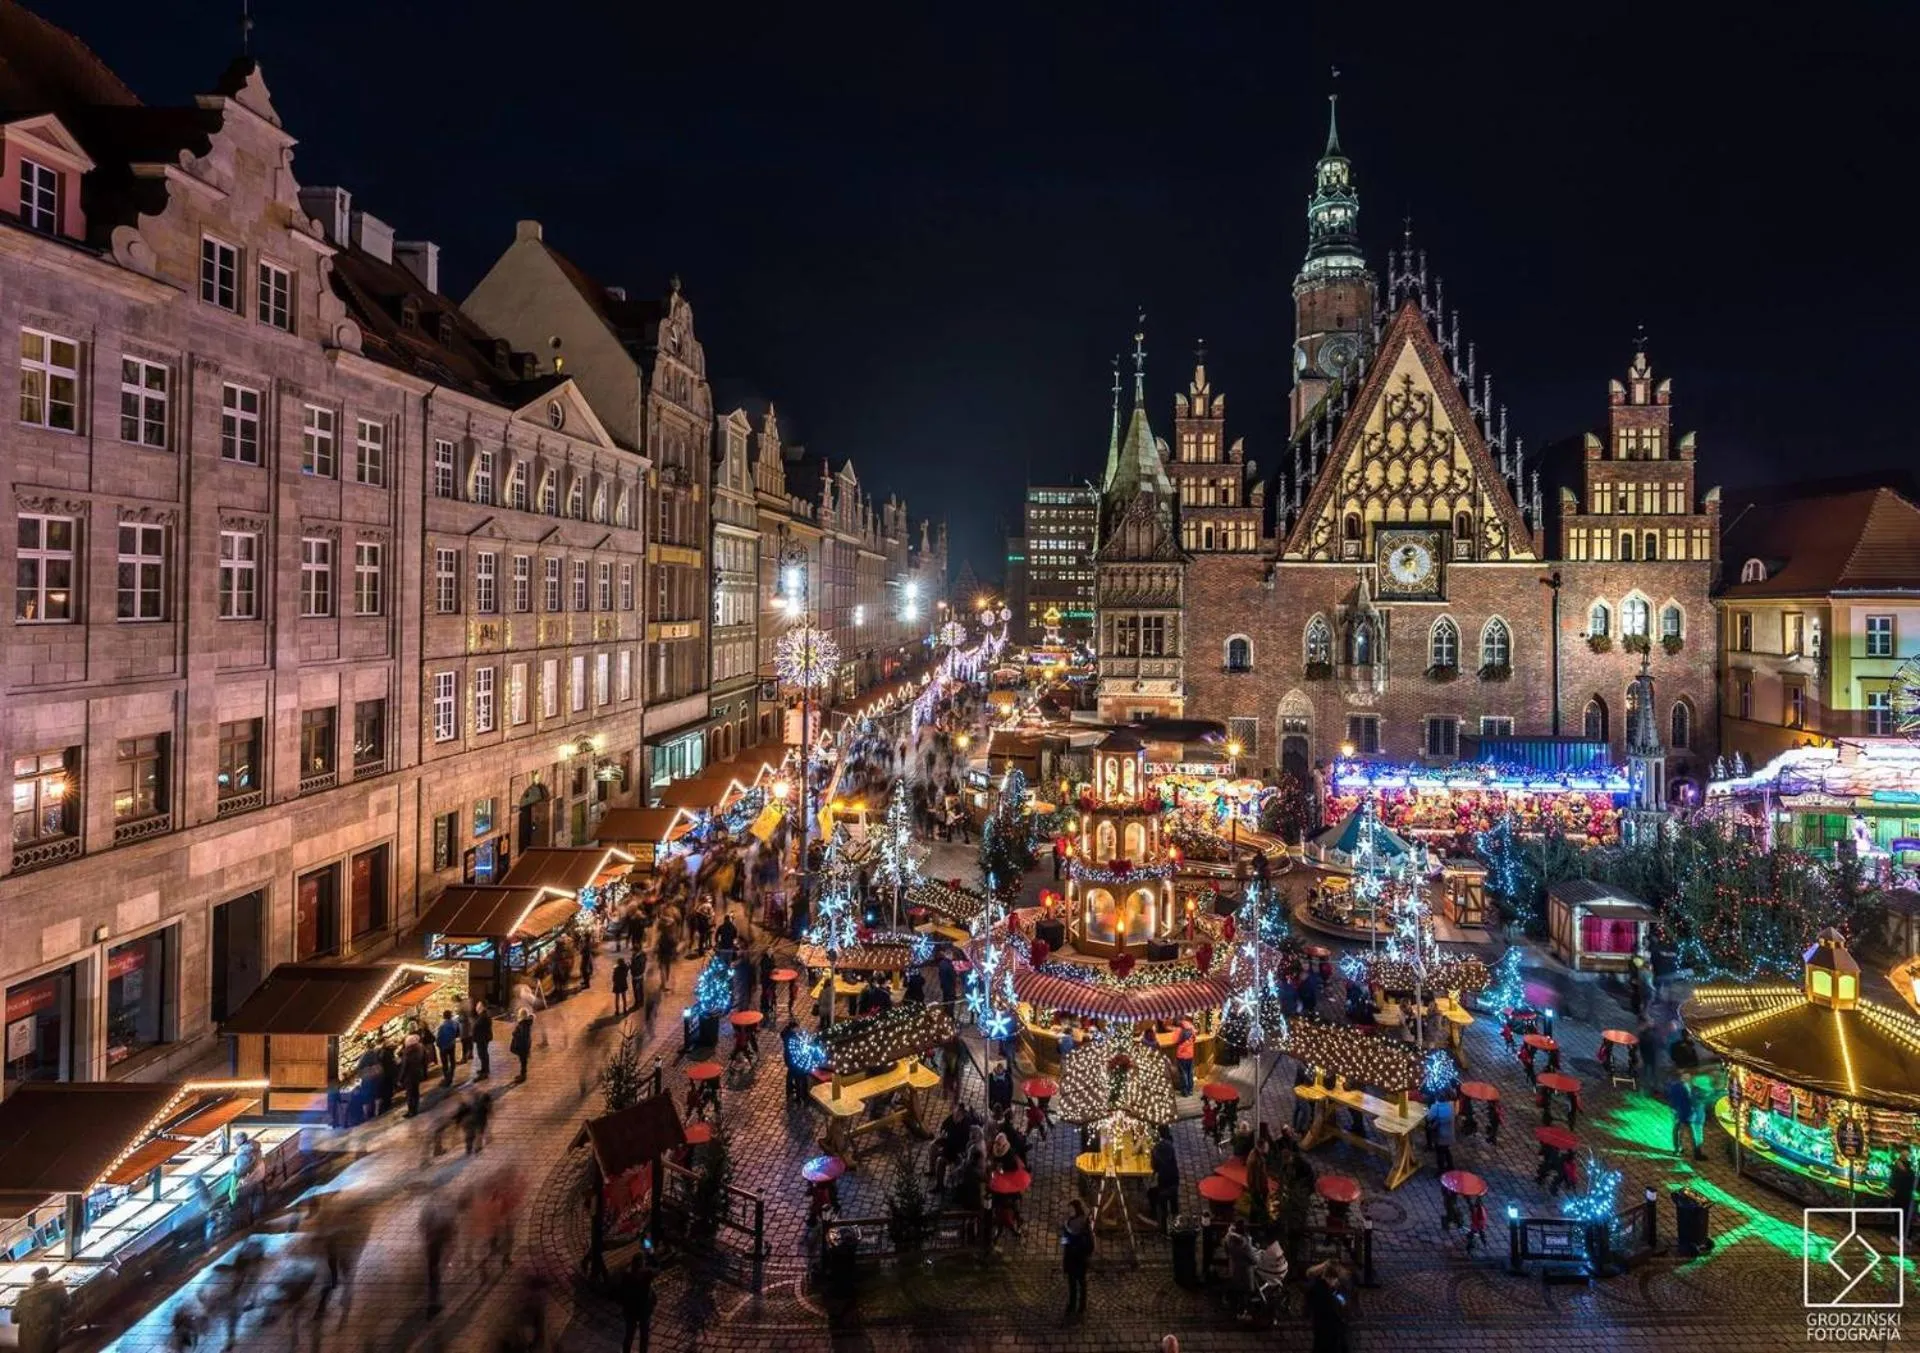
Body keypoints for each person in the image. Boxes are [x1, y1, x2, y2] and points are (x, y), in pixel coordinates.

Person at [13, 1266, 67, 1353]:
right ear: (47, 1276)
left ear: (33, 1279)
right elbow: (66, 1310)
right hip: (51, 1337)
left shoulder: (23, 1296)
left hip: (28, 1341)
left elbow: (14, 1319)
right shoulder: (59, 1290)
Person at [1305, 1259, 1351, 1353]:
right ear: (1330, 1278)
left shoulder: (1317, 1285)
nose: (1336, 1282)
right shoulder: (1327, 1295)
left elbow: (1309, 1273)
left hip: (1319, 1326)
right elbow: (1337, 1314)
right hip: (1329, 1330)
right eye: (1336, 1279)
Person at [617, 1254, 659, 1353]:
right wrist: (652, 1254)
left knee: (629, 1335)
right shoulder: (647, 1274)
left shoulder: (626, 1276)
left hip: (630, 1311)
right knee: (644, 1337)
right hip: (644, 1311)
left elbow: (620, 1293)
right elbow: (658, 1268)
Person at [1060, 1197, 1094, 1321]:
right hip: (1080, 1258)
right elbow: (1091, 1243)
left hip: (1073, 1257)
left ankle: (1073, 1305)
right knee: (1080, 1282)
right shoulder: (1084, 1222)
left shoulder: (1070, 1223)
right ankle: (1081, 1305)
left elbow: (1065, 1242)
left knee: (1074, 1283)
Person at [1223, 1219, 1258, 1319]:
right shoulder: (1245, 1244)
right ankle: (1244, 1312)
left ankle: (1235, 1310)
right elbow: (1253, 1259)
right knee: (1246, 1292)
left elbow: (1226, 1249)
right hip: (1245, 1271)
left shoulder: (1228, 1238)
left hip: (1234, 1266)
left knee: (1237, 1289)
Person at [1150, 1124, 1180, 1230]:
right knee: (1174, 1202)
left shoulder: (1156, 1148)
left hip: (1163, 1181)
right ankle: (1176, 1224)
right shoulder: (1170, 1145)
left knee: (1160, 1203)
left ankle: (1163, 1228)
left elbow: (1154, 1167)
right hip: (1174, 1178)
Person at [399, 1033, 429, 1117]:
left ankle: (411, 1111)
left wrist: (400, 1079)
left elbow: (404, 1066)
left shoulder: (407, 1052)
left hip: (409, 1076)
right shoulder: (420, 1048)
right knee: (416, 1092)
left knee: (409, 1094)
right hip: (417, 1073)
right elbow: (425, 1060)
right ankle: (415, 1108)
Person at [1666, 1072, 1695, 1158]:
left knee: (1683, 1130)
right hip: (1679, 1112)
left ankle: (1682, 1148)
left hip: (1686, 1112)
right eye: (1686, 1078)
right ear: (1682, 1078)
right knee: (1678, 1130)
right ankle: (1678, 1148)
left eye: (1689, 1078)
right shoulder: (1677, 1087)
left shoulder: (1688, 1086)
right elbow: (1673, 1100)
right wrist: (1674, 1110)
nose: (1688, 1079)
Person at [1429, 1093, 1456, 1172]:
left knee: (1439, 1152)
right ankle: (1450, 1166)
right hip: (1449, 1134)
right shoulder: (1450, 1105)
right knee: (1446, 1149)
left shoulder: (1435, 1107)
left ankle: (1441, 1169)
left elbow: (1429, 1117)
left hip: (1439, 1134)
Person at [436, 1009, 461, 1088]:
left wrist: (438, 1045)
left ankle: (447, 1079)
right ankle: (451, 1075)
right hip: (452, 1044)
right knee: (452, 1060)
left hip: (443, 1046)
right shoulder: (455, 1023)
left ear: (444, 1016)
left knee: (445, 1063)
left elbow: (438, 1037)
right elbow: (458, 1033)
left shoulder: (442, 1026)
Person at [471, 1001, 494, 1080]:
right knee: (483, 1054)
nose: (477, 1007)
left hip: (482, 1039)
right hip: (482, 1038)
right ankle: (484, 1069)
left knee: (483, 1055)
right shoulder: (482, 1015)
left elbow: (480, 1028)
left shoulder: (484, 1016)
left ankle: (485, 1073)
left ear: (483, 1007)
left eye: (478, 1005)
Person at [511, 1007, 535, 1082]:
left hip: (523, 1046)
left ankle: (523, 1076)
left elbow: (523, 1036)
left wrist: (515, 1033)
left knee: (523, 1061)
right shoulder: (525, 1023)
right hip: (524, 1046)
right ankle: (522, 1074)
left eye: (519, 1015)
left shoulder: (524, 1025)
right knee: (523, 1061)